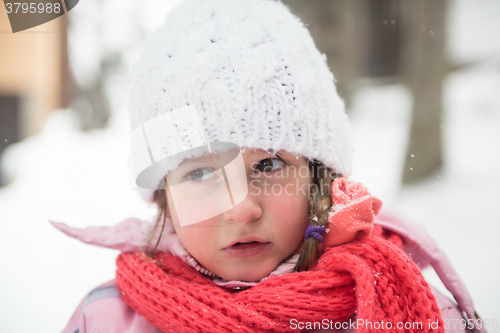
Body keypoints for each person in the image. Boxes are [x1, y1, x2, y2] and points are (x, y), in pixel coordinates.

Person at [53, 0, 485, 332]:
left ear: (319, 179)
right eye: (200, 173)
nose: (242, 208)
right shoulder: (106, 318)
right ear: (165, 196)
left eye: (269, 164)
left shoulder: (404, 305)